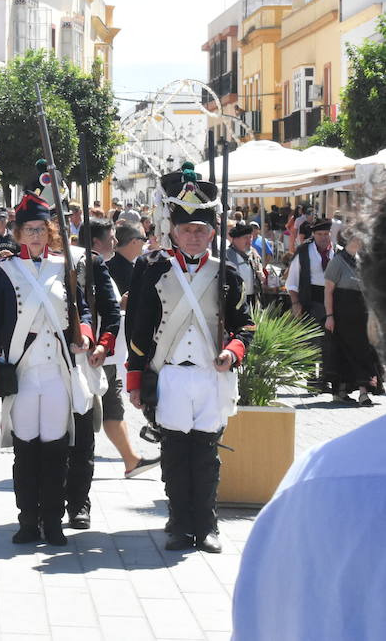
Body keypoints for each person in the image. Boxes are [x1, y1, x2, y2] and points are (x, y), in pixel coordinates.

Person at [232, 198, 386, 638]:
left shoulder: (317, 488)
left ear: (376, 324)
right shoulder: (319, 485)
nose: (321, 237)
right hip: (324, 310)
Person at [125, 162, 253, 553]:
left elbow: (244, 326)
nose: (194, 237)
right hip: (171, 377)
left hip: (211, 377)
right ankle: (180, 523)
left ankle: (207, 525)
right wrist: (134, 380)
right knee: (175, 455)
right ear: (174, 232)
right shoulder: (151, 269)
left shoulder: (226, 273)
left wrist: (232, 353)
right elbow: (138, 329)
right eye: (187, 229)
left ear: (212, 233)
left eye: (201, 230)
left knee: (206, 456)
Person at [0, 164, 99, 547]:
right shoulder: (6, 269)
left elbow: (83, 310)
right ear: (18, 232)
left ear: (51, 232)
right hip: (23, 372)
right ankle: (28, 522)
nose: (37, 236)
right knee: (26, 450)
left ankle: (54, 522)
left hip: (58, 371)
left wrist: (86, 335)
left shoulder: (66, 268)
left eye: (42, 230)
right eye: (30, 230)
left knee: (57, 450)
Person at [66, 217, 124, 529]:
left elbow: (110, 313)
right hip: (45, 363)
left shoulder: (90, 264)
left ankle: (79, 504)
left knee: (83, 438)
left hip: (83, 361)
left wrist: (103, 345)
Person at [102, 222, 159, 479]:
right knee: (107, 406)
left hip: (113, 352)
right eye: (110, 238)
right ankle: (130, 459)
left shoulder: (119, 266)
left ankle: (131, 459)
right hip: (103, 352)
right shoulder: (105, 268)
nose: (114, 243)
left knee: (111, 407)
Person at [324, 229, 379, 405]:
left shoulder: (361, 261)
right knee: (344, 352)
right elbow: (328, 291)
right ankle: (349, 392)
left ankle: (360, 391)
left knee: (362, 352)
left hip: (361, 316)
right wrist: (329, 316)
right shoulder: (337, 262)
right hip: (342, 315)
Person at [285, 218, 337, 392]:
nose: (323, 238)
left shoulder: (336, 252)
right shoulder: (303, 252)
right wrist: (295, 302)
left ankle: (325, 378)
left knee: (329, 342)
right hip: (311, 300)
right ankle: (312, 379)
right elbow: (292, 280)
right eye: (320, 234)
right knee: (312, 342)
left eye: (326, 234)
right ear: (313, 235)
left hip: (333, 301)